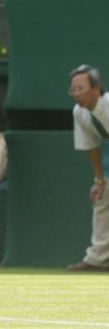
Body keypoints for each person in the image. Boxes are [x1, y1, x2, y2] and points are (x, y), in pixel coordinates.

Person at [66, 65, 109, 271]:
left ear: (96, 89)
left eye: (80, 89)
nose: (76, 94)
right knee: (103, 196)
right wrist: (100, 180)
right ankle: (98, 259)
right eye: (73, 90)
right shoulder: (79, 113)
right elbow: (92, 146)